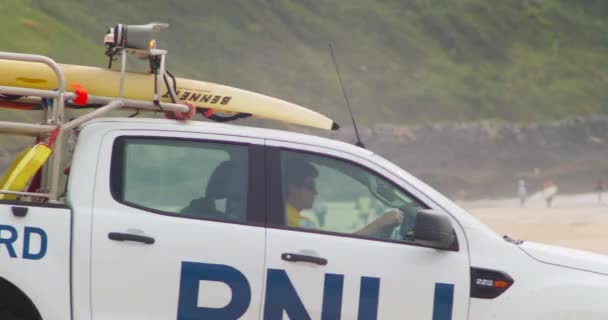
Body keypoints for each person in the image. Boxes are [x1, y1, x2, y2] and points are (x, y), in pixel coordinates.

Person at [283, 159, 404, 237]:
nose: (316, 192)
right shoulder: (293, 220)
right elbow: (331, 248)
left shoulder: (286, 215)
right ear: (293, 188)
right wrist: (379, 223)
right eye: (310, 186)